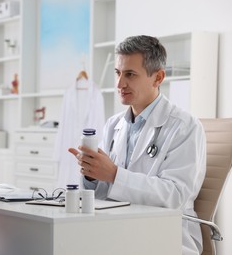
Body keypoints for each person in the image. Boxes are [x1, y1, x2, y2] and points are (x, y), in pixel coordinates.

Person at [69, 35, 206, 255]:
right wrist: (92, 175)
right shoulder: (114, 125)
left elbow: (176, 196)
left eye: (130, 74)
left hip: (165, 234)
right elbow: (104, 194)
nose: (120, 84)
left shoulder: (185, 127)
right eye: (118, 73)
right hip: (119, 227)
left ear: (158, 77)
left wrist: (114, 174)